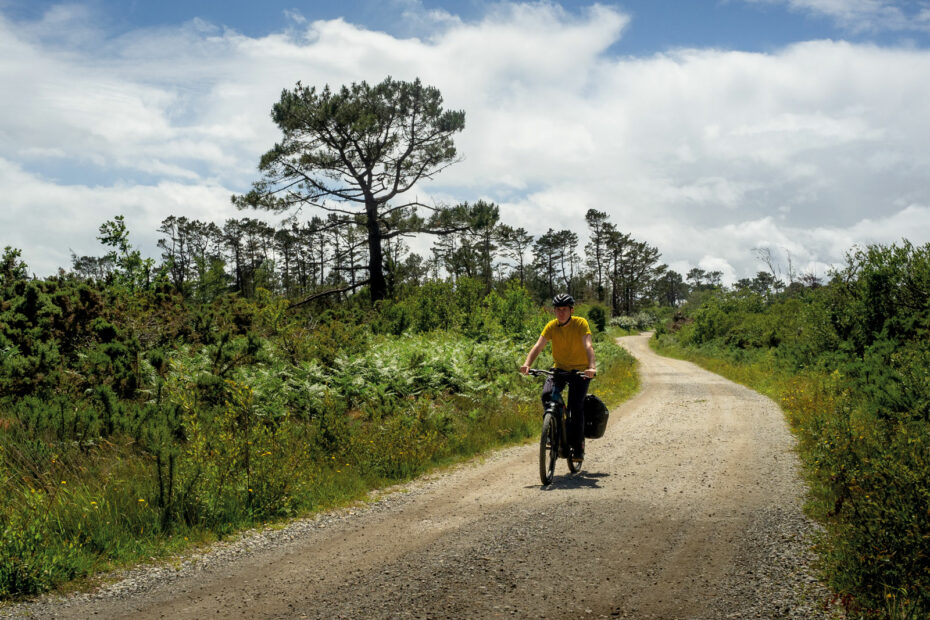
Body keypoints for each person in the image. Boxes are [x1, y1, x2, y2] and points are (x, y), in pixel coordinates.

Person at [520, 293, 596, 462]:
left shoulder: (580, 323)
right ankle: (553, 428)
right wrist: (527, 364)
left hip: (580, 372)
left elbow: (588, 345)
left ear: (571, 310)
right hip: (559, 370)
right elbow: (538, 346)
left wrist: (591, 367)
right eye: (558, 310)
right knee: (547, 395)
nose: (561, 313)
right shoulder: (551, 326)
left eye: (564, 310)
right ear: (554, 311)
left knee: (576, 408)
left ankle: (578, 448)